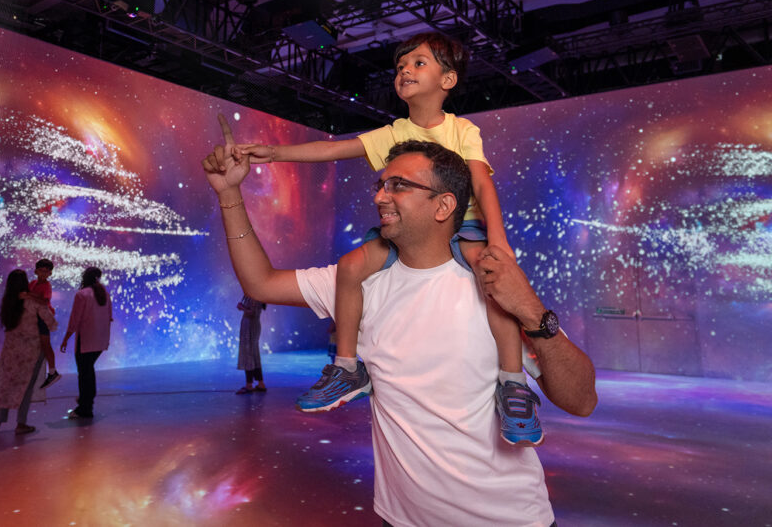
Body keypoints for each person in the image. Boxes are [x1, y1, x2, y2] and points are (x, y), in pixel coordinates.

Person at [203, 126, 597, 526]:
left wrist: (531, 311)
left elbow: (581, 400)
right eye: (380, 185)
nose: (379, 196)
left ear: (443, 206)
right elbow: (261, 282)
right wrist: (229, 194)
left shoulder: (492, 279)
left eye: (398, 186)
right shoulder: (356, 284)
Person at [234, 32, 536, 445]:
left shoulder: (463, 130)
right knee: (351, 265)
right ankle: (346, 366)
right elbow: (333, 150)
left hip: (463, 226)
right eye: (400, 67)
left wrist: (497, 241)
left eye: (418, 63)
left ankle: (512, 381)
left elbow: (482, 186)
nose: (405, 71)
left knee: (493, 281)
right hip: (410, 234)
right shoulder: (393, 132)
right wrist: (275, 153)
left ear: (448, 80)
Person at [0, 269, 58, 435]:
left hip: (10, 351)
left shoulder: (7, 302)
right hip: (31, 352)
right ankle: (21, 424)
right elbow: (52, 323)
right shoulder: (33, 303)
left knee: (7, 386)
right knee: (25, 388)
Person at [60, 266, 113, 419]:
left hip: (86, 341)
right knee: (88, 371)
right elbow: (109, 317)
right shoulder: (105, 295)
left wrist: (66, 338)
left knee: (84, 374)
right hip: (100, 341)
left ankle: (85, 407)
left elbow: (74, 320)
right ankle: (86, 401)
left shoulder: (82, 295)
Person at [29, 258, 62, 389]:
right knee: (39, 344)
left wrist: (28, 295)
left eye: (46, 271)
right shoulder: (32, 283)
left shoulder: (46, 285)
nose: (43, 274)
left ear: (50, 274)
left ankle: (53, 371)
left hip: (42, 318)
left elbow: (44, 300)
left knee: (45, 344)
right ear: (36, 271)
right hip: (34, 317)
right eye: (41, 271)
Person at [235, 294, 267, 394]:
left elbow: (252, 312)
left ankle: (249, 384)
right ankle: (260, 383)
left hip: (250, 325)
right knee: (254, 354)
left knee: (248, 354)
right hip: (252, 325)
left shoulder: (255, 295)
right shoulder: (256, 294)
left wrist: (242, 307)